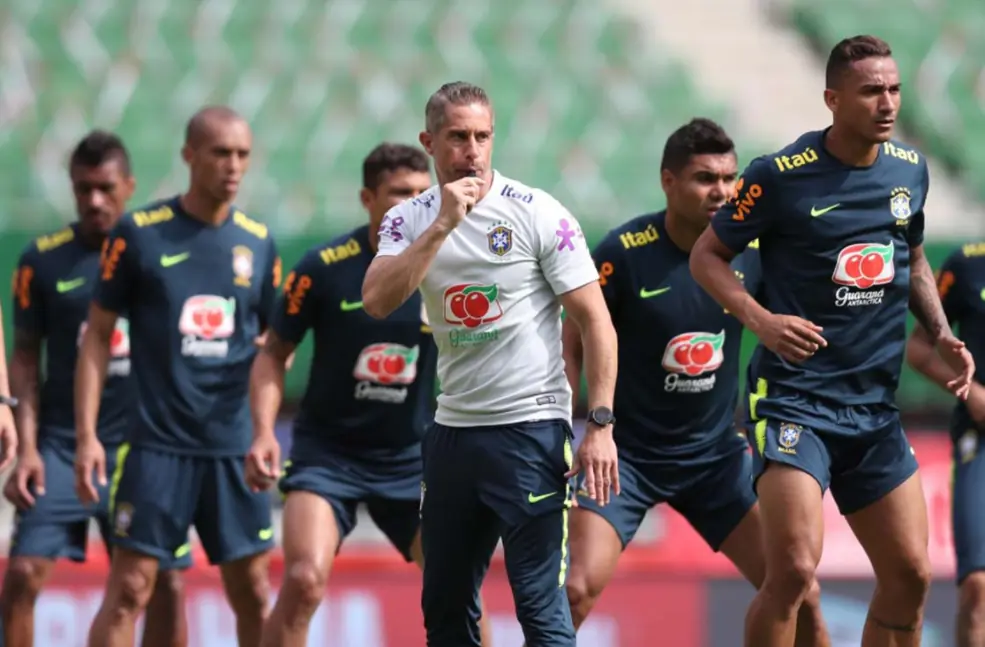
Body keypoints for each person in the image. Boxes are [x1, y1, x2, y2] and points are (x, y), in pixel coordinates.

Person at [690, 35, 975, 647]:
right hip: (794, 400)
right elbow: (706, 256)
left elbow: (915, 259)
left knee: (911, 576)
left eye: (894, 89)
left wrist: (941, 331)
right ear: (832, 99)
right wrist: (759, 319)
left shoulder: (909, 171)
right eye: (871, 91)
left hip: (872, 409)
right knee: (792, 570)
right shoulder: (780, 176)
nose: (887, 103)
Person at [361, 81, 619, 647]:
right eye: (457, 137)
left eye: (482, 136)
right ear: (429, 142)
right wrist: (443, 226)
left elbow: (597, 322)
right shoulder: (411, 220)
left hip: (530, 431)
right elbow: (378, 300)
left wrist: (598, 425)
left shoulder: (538, 212)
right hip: (453, 435)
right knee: (446, 612)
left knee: (540, 609)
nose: (472, 151)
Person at [561, 118, 830, 646]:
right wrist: (580, 426)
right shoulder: (623, 253)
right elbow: (572, 340)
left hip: (713, 458)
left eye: (730, 178)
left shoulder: (749, 252)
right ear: (668, 182)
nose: (723, 192)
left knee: (804, 594)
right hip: (626, 460)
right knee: (575, 590)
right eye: (706, 178)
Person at [246, 142, 493, 646]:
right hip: (326, 458)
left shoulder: (452, 267)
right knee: (303, 580)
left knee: (460, 588)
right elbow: (273, 354)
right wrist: (263, 432)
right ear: (368, 197)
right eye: (400, 193)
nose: (415, 203)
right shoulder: (323, 268)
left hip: (412, 459)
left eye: (424, 193)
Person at [74, 107, 280, 647]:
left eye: (242, 155)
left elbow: (271, 349)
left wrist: (263, 431)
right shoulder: (139, 235)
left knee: (254, 592)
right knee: (130, 591)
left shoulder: (258, 243)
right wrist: (88, 434)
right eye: (220, 153)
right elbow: (97, 336)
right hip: (156, 446)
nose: (233, 166)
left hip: (231, 447)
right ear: (190, 155)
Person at [1, 132, 191, 647]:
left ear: (129, 186)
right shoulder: (40, 260)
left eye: (106, 188)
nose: (94, 201)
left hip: (145, 447)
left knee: (168, 585)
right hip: (62, 445)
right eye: (83, 189)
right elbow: (23, 356)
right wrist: (29, 445)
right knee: (20, 576)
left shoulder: (162, 253)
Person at [907, 242, 985, 647]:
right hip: (979, 444)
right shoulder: (967, 263)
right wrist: (970, 392)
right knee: (977, 585)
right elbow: (918, 348)